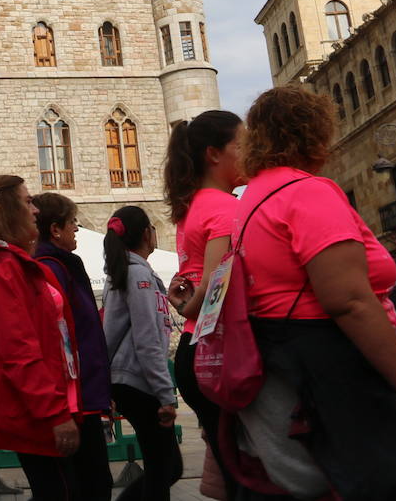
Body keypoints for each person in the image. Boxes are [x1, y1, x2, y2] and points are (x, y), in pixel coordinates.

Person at [231, 85, 396, 500]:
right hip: (342, 373)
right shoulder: (308, 192)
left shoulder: (253, 199)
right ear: (316, 131)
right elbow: (349, 301)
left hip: (293, 365)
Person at [0, 174, 83, 499]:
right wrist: (54, 413)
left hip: (43, 402)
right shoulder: (0, 267)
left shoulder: (6, 263)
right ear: (5, 209)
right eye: (27, 201)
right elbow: (18, 349)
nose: (35, 210)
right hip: (37, 410)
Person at [162, 110, 245, 498]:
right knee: (243, 471)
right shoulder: (224, 207)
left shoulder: (193, 206)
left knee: (230, 463)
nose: (249, 153)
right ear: (214, 154)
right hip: (216, 351)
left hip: (197, 349)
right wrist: (191, 305)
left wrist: (186, 306)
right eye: (240, 146)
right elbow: (215, 285)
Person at [32, 191, 114, 501]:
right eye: (72, 223)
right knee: (89, 484)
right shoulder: (51, 268)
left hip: (85, 395)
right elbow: (60, 338)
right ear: (55, 229)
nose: (76, 229)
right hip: (73, 401)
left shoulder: (63, 264)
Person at [102, 205, 182, 501]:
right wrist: (165, 395)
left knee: (169, 466)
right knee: (162, 469)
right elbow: (147, 341)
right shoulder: (137, 276)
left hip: (131, 382)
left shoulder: (130, 273)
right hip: (139, 383)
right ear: (146, 233)